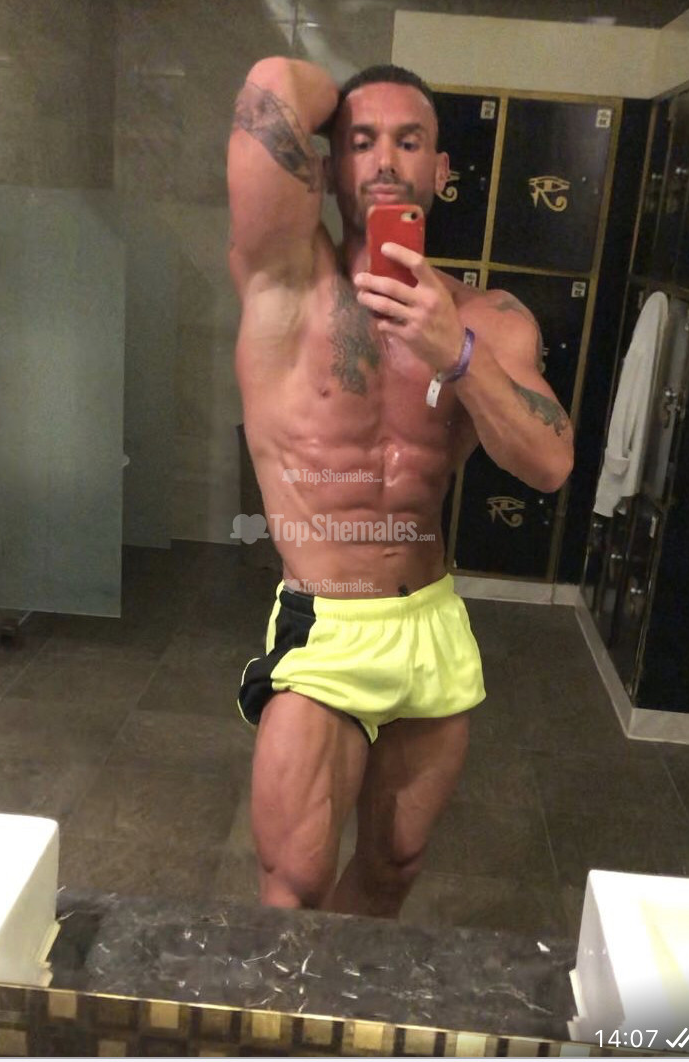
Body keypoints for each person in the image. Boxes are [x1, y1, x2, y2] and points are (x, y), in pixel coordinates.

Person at [227, 59, 573, 916]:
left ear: (442, 171)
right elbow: (273, 84)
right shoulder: (286, 281)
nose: (385, 159)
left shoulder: (488, 320)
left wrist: (455, 355)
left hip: (430, 620)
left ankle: (342, 1005)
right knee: (294, 883)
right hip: (328, 627)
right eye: (362, 141)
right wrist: (342, 101)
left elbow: (550, 464)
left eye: (410, 141)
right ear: (328, 165)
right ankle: (287, 1010)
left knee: (394, 868)